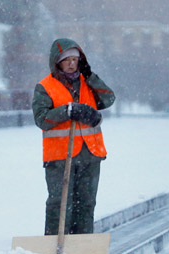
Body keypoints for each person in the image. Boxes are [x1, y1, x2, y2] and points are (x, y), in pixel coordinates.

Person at [32, 38, 115, 235]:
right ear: (57, 61)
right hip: (60, 156)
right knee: (60, 203)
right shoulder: (45, 87)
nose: (71, 64)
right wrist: (67, 111)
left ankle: (82, 242)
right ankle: (55, 243)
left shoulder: (88, 83)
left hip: (90, 154)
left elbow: (108, 98)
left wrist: (91, 76)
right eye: (66, 60)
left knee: (86, 203)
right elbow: (42, 119)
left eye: (75, 59)